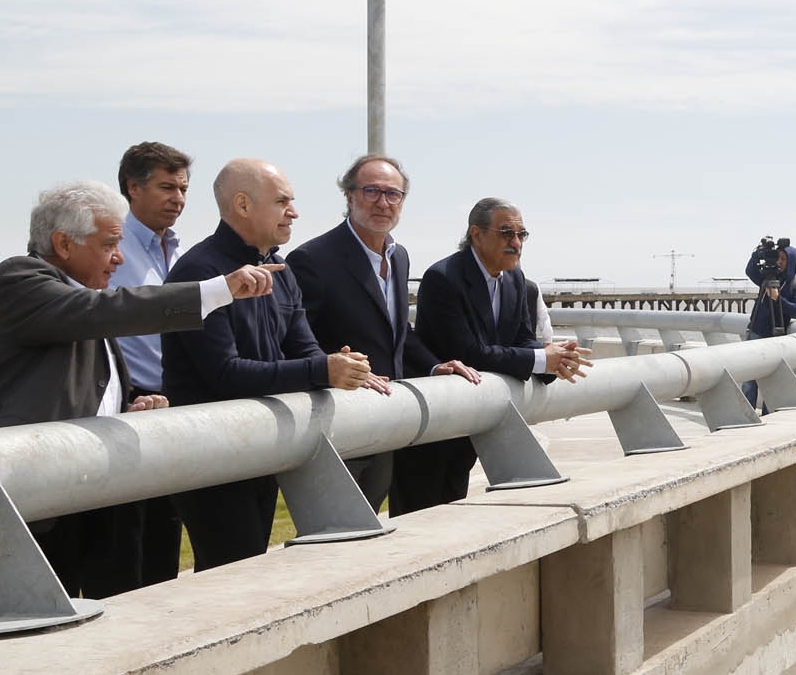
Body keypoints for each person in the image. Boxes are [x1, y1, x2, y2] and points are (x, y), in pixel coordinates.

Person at [0, 180, 282, 609]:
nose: (120, 257)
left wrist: (129, 405)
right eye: (110, 243)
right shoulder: (19, 279)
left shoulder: (76, 296)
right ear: (63, 243)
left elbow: (78, 376)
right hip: (21, 509)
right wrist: (217, 290)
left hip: (79, 500)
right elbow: (102, 313)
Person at [162, 159, 373, 570]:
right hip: (212, 460)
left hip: (264, 450)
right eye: (282, 201)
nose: (293, 212)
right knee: (229, 575)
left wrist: (344, 365)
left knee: (251, 568)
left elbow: (305, 350)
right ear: (242, 204)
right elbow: (225, 375)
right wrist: (323, 370)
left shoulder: (281, 270)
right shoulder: (199, 273)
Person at [287, 154, 480, 511]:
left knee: (374, 527)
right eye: (371, 191)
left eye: (393, 194)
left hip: (386, 421)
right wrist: (333, 367)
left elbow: (397, 333)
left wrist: (436, 366)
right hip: (338, 423)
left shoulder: (399, 255)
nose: (382, 202)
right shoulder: (312, 259)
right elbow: (296, 341)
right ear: (349, 197)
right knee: (333, 530)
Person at [406, 198, 590, 514]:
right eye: (507, 233)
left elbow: (521, 339)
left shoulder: (517, 279)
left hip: (475, 421)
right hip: (434, 424)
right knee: (420, 514)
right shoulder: (443, 279)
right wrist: (542, 359)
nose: (516, 243)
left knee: (454, 513)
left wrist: (555, 357)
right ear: (476, 235)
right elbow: (467, 352)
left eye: (522, 235)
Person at [108, 140, 194, 586]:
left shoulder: (182, 252)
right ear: (132, 187)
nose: (177, 198)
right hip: (131, 403)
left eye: (182, 188)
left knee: (165, 533)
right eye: (166, 187)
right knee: (125, 539)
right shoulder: (111, 251)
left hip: (175, 402)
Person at [742, 237, 796, 410]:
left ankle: (768, 415)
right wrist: (758, 253)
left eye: (784, 259)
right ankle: (747, 414)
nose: (779, 262)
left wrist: (778, 299)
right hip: (755, 332)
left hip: (776, 336)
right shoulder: (767, 277)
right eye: (778, 257)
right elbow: (750, 271)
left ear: (792, 261)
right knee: (749, 380)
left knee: (771, 381)